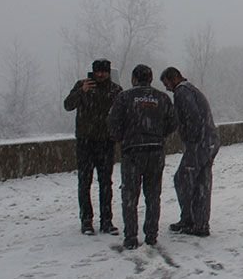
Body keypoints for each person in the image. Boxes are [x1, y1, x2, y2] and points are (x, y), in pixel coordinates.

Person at [107, 64, 177, 249]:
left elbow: (113, 124)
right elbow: (173, 122)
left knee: (130, 195)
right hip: (155, 150)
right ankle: (151, 235)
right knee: (153, 195)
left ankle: (131, 237)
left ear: (134, 79)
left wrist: (123, 137)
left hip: (132, 151)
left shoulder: (124, 98)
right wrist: (158, 134)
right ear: (151, 78)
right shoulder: (162, 98)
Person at [63, 59, 123, 236]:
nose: (101, 75)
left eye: (104, 72)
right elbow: (68, 105)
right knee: (85, 182)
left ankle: (107, 220)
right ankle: (86, 220)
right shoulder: (82, 85)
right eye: (98, 71)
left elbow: (122, 112)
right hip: (85, 141)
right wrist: (81, 92)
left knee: (106, 183)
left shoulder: (115, 90)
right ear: (93, 71)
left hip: (106, 142)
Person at [160, 66, 220, 238]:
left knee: (184, 180)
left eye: (166, 83)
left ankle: (193, 221)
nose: (166, 88)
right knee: (201, 181)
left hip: (199, 144)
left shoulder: (182, 92)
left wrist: (191, 141)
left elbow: (192, 118)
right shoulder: (191, 89)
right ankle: (197, 222)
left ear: (173, 79)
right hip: (209, 142)